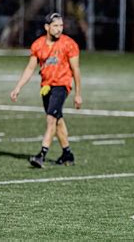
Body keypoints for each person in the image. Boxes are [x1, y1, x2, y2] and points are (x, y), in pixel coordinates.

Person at [10, 12, 82, 168]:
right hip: (46, 87)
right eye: (55, 26)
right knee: (58, 121)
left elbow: (76, 70)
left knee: (51, 119)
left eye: (61, 25)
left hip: (61, 86)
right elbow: (30, 69)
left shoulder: (69, 44)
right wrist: (18, 87)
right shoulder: (37, 45)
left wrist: (78, 94)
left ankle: (41, 155)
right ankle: (67, 154)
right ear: (47, 27)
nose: (59, 29)